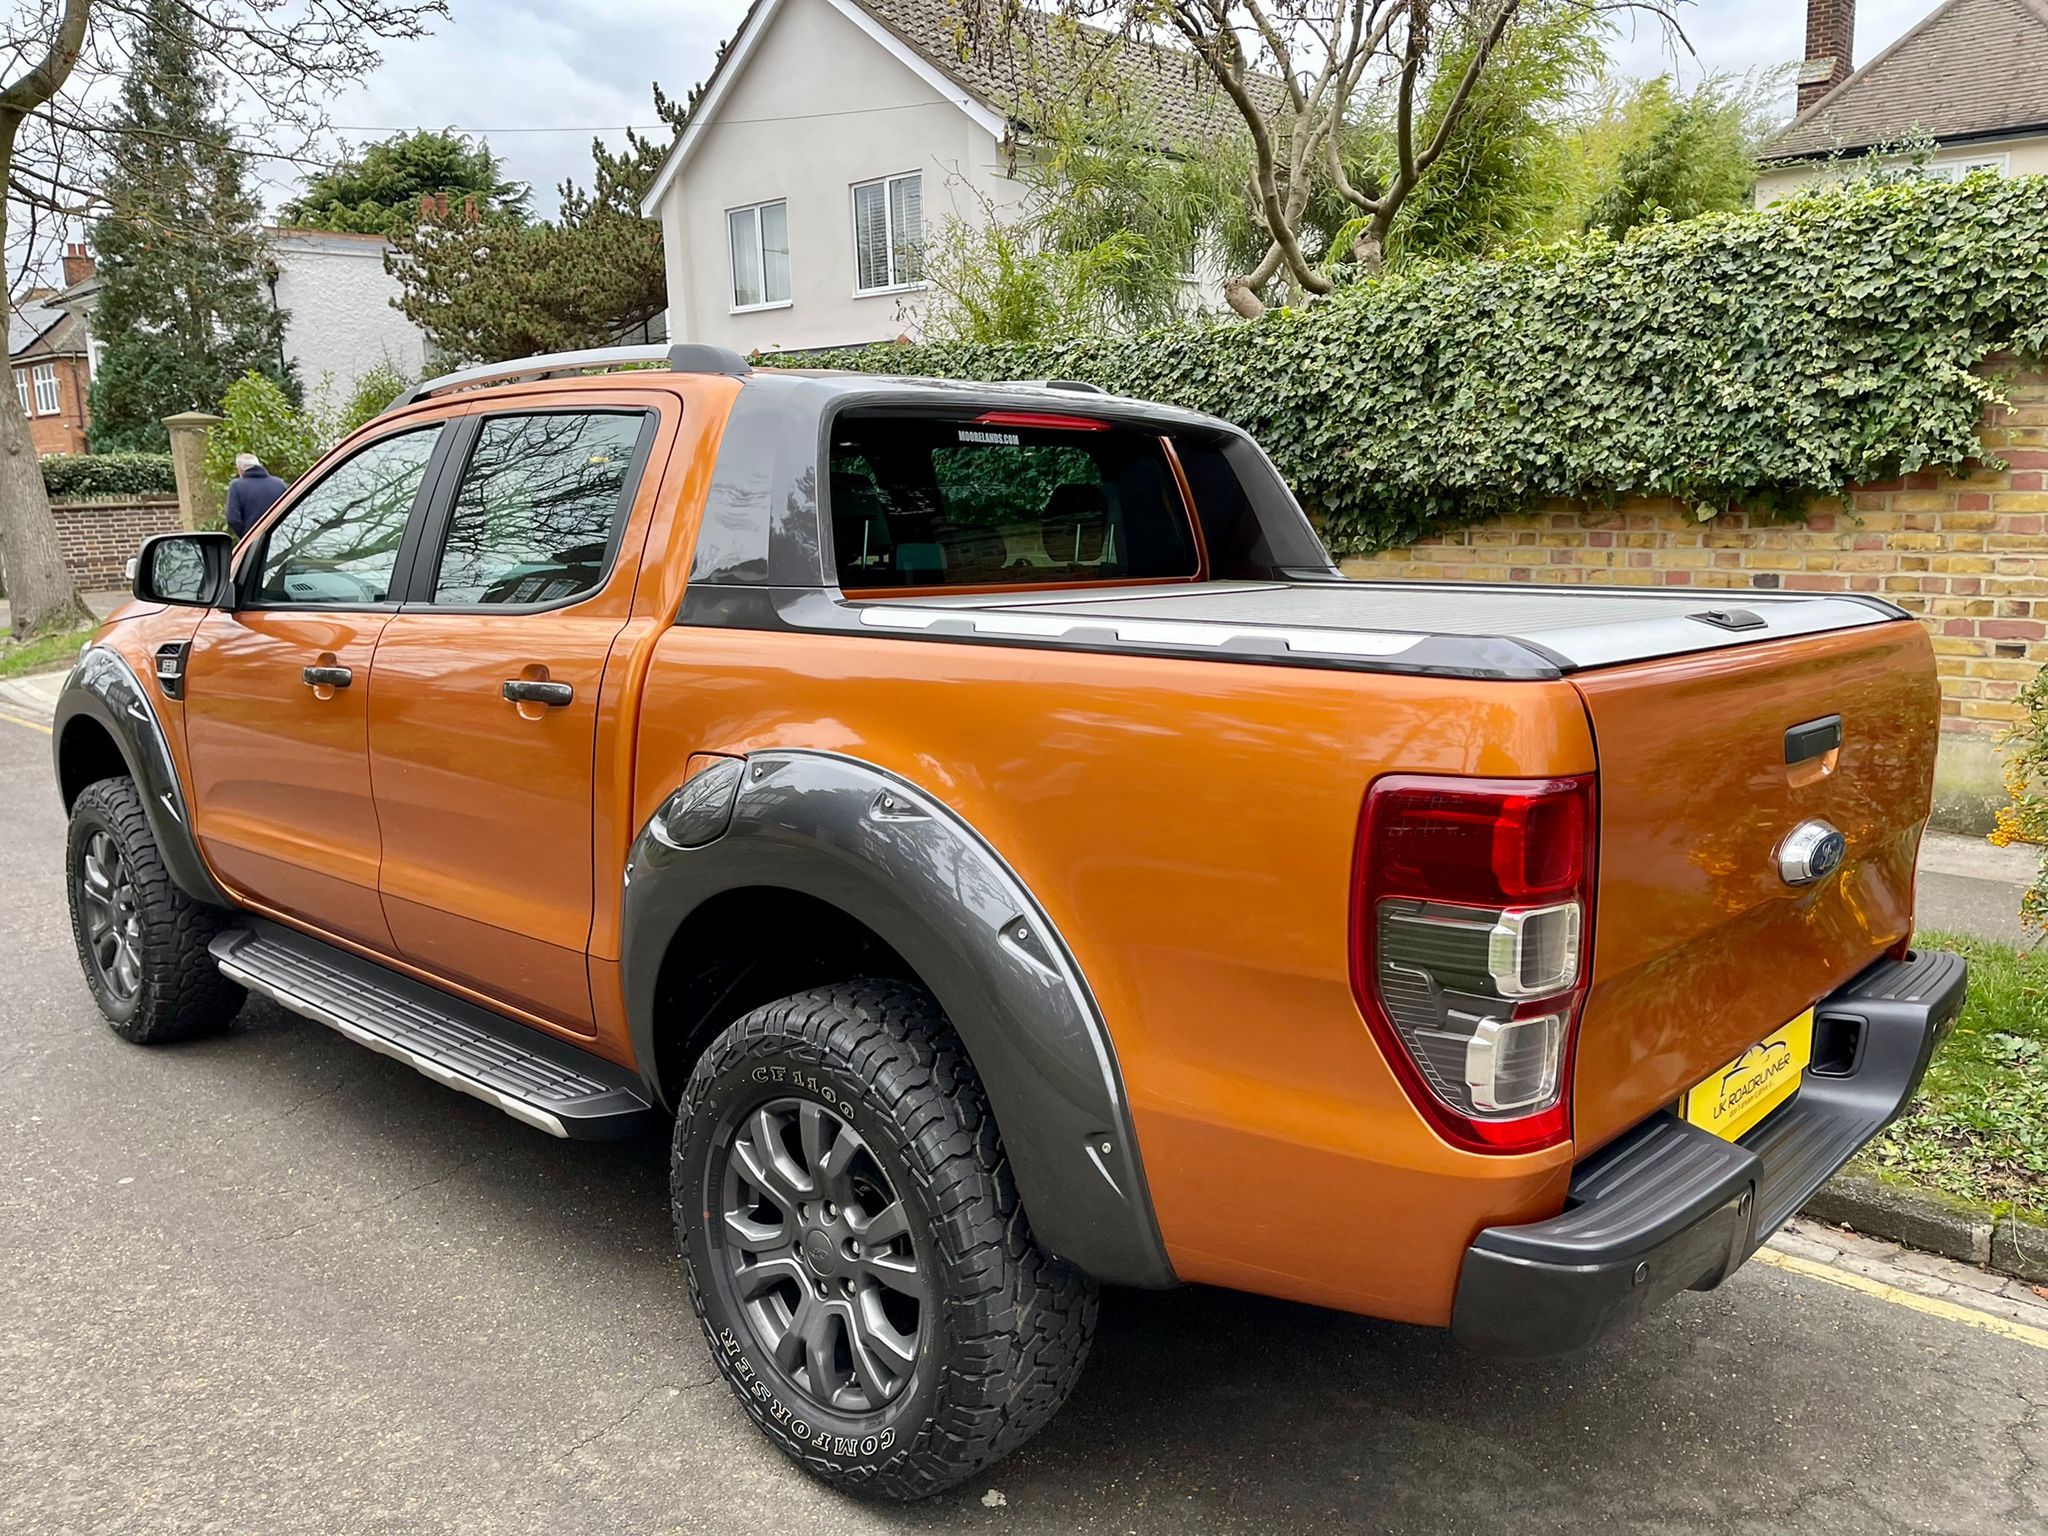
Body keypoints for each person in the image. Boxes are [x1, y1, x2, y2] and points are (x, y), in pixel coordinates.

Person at [224, 453, 288, 538]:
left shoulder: (237, 486)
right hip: (281, 538)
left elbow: (233, 519)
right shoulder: (279, 484)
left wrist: (246, 537)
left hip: (254, 543)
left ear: (240, 469)